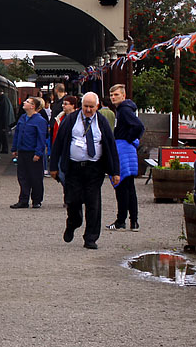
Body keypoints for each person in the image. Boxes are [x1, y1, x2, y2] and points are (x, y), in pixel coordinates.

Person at [49, 92, 120, 249]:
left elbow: (111, 146)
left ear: (97, 106)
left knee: (93, 203)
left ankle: (91, 238)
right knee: (72, 201)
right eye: (85, 106)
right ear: (81, 105)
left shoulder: (101, 121)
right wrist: (53, 166)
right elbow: (58, 143)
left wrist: (115, 171)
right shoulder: (71, 119)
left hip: (94, 169)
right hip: (74, 168)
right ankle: (74, 222)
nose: (88, 110)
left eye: (91, 107)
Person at [107, 84, 145, 231]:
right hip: (127, 150)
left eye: (116, 95)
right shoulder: (125, 109)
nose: (113, 97)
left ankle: (121, 220)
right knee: (129, 187)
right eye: (111, 95)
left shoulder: (123, 110)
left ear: (123, 96)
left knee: (121, 186)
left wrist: (128, 138)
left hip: (123, 150)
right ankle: (133, 221)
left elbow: (138, 126)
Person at [10, 96, 50, 209]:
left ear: (33, 106)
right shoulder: (22, 118)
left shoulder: (40, 121)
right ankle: (23, 200)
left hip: (33, 153)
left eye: (27, 102)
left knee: (35, 177)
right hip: (22, 151)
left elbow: (41, 138)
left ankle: (37, 200)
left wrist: (38, 153)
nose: (24, 102)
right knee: (22, 177)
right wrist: (14, 149)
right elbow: (17, 134)